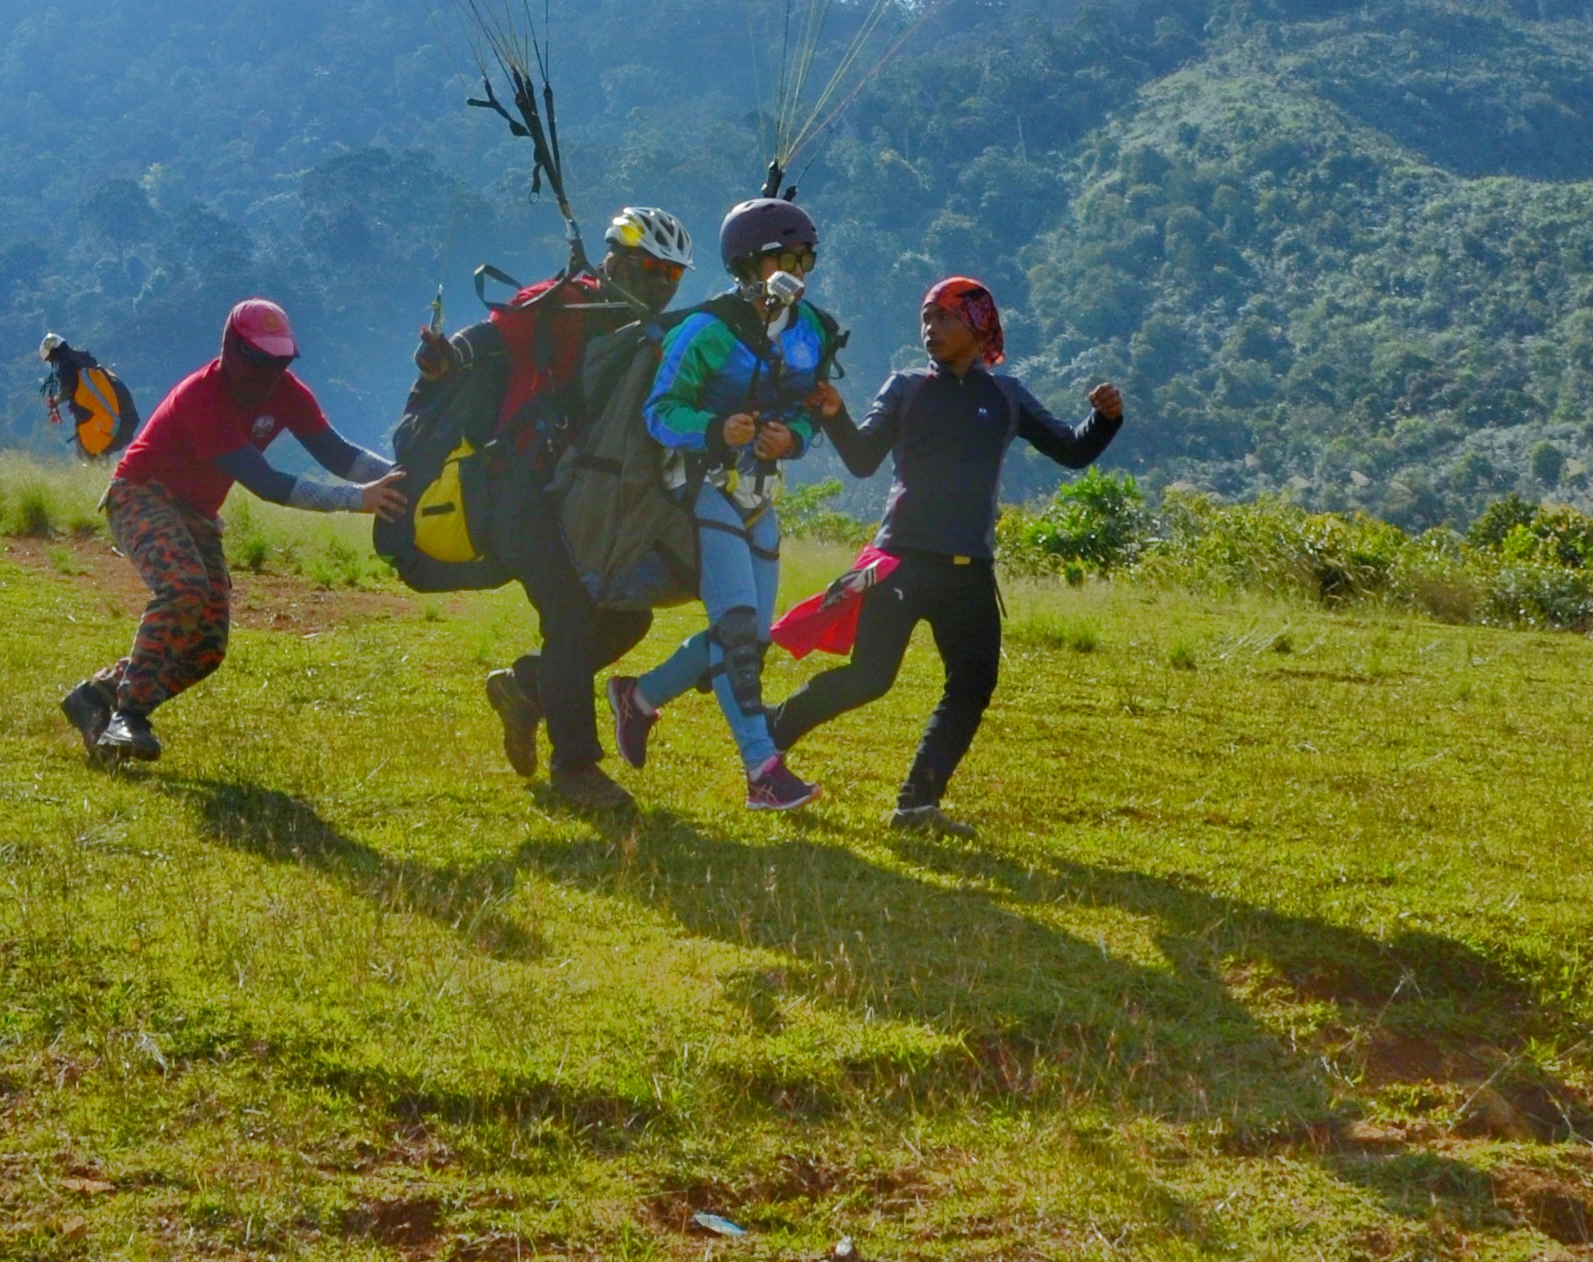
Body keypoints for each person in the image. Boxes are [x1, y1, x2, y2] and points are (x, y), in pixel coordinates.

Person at [765, 274, 1124, 825]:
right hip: (899, 562)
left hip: (969, 572)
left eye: (944, 318)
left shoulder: (1006, 396)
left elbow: (1072, 452)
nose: (930, 329)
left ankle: (917, 804)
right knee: (870, 678)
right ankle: (771, 732)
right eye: (926, 319)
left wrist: (1105, 420)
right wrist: (835, 414)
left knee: (973, 684)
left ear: (978, 326)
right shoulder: (905, 388)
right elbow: (862, 459)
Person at [413, 205, 689, 817]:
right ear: (615, 259)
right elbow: (486, 338)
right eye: (649, 269)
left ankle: (526, 687)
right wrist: (445, 359)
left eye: (672, 277)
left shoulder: (642, 336)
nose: (659, 285)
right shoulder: (563, 303)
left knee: (626, 618)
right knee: (572, 616)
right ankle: (577, 768)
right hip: (516, 493)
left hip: (572, 501)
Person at [61, 296, 404, 764]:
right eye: (263, 362)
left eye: (281, 362)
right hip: (141, 494)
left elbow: (338, 455)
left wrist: (405, 479)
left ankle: (97, 696)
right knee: (184, 587)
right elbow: (264, 482)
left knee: (207, 647)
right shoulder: (203, 397)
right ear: (235, 353)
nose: (272, 373)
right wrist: (357, 501)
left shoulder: (287, 392)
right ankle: (130, 715)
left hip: (196, 513)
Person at [607, 196, 849, 813]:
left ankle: (638, 697)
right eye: (784, 258)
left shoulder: (812, 329)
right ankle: (762, 770)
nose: (797, 269)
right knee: (739, 633)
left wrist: (792, 435)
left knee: (748, 639)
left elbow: (810, 408)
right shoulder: (707, 331)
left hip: (760, 494)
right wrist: (717, 429)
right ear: (749, 263)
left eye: (804, 258)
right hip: (700, 488)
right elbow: (660, 413)